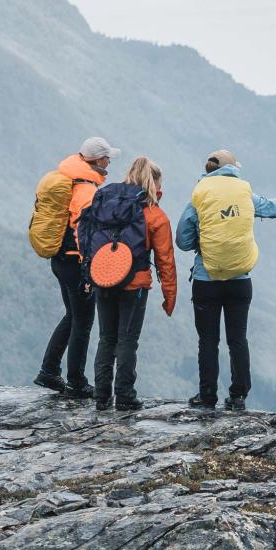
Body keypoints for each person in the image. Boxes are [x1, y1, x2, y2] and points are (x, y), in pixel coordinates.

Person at [176, 149, 276, 411]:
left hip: (205, 280)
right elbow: (272, 207)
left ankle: (207, 396)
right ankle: (238, 396)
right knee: (237, 338)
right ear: (232, 169)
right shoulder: (244, 193)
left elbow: (183, 241)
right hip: (240, 280)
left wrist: (204, 242)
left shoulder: (199, 196)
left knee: (208, 340)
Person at [81, 156, 177, 413]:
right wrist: (170, 296)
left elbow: (86, 234)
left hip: (103, 279)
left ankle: (101, 397)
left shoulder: (105, 202)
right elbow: (165, 259)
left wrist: (90, 272)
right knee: (127, 340)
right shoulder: (154, 214)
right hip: (134, 285)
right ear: (154, 183)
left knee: (106, 338)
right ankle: (125, 395)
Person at [28, 136, 116, 400]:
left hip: (60, 259)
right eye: (108, 158)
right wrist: (89, 268)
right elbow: (82, 228)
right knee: (83, 322)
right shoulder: (86, 188)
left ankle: (49, 370)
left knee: (72, 316)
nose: (110, 162)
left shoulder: (71, 178)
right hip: (75, 261)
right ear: (99, 160)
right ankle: (76, 382)